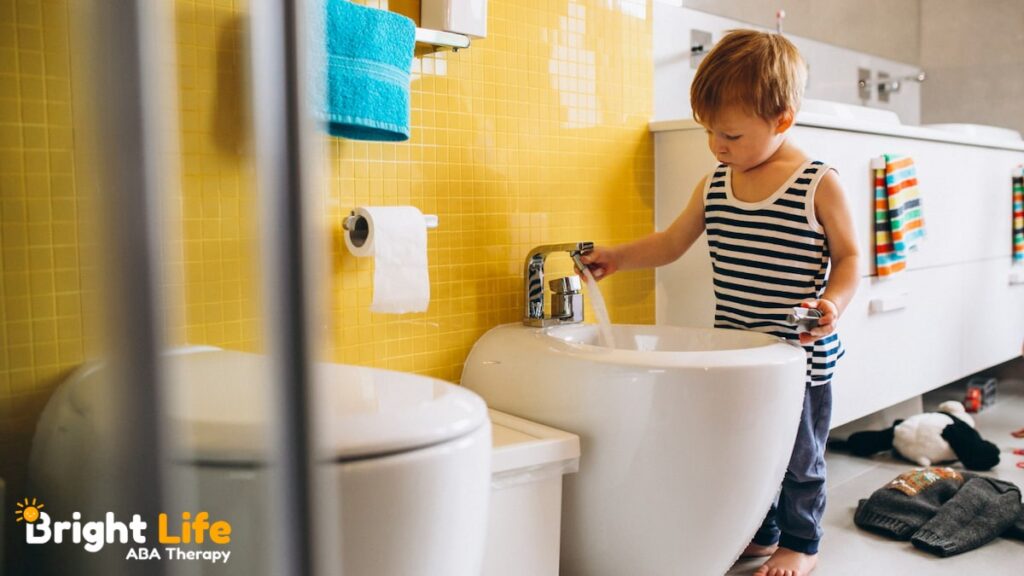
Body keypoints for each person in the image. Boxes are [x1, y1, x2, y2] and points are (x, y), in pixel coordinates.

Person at [579, 29, 859, 576]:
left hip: (798, 356)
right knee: (746, 450)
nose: (716, 145)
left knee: (799, 458)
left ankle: (801, 542)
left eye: (729, 134)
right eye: (708, 131)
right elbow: (670, 243)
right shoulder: (715, 184)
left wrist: (834, 303)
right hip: (735, 352)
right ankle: (760, 532)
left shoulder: (817, 183)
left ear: (782, 119)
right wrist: (616, 257)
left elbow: (850, 257)